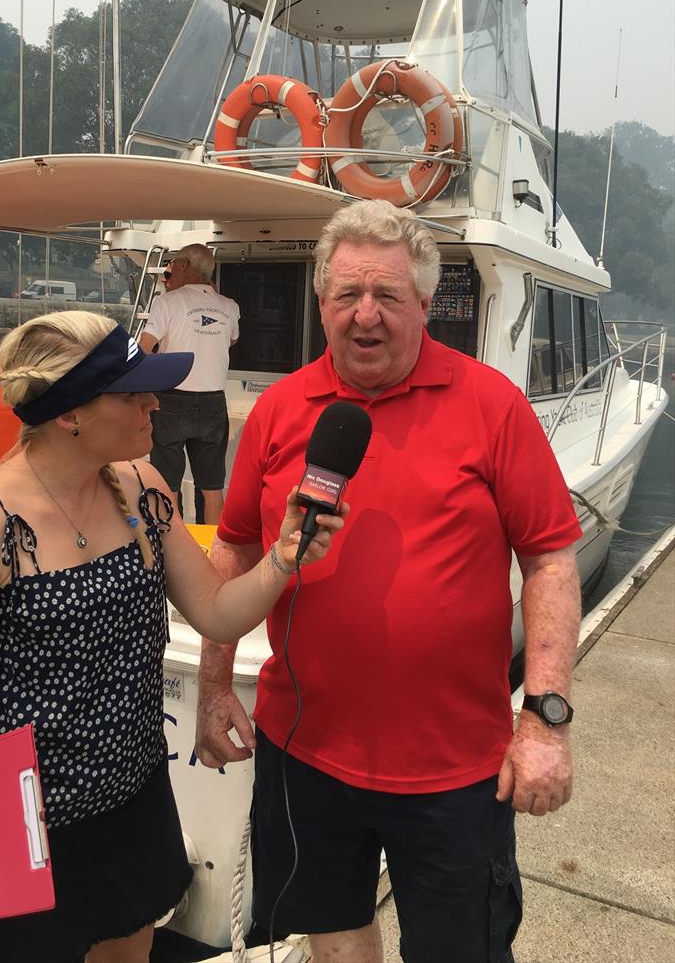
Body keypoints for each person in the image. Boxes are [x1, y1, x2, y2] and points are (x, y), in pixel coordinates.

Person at [195, 200, 582, 963]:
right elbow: (235, 549)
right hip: (303, 749)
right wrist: (212, 689)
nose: (364, 316)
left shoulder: (492, 406)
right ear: (321, 301)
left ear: (425, 304)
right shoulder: (277, 410)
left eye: (388, 297)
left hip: (453, 766)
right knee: (331, 940)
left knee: (457, 950)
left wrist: (543, 718)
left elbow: (551, 560)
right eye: (347, 295)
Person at [0, 310, 345, 963]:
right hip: (26, 823)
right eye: (133, 391)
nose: (154, 401)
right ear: (70, 414)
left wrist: (284, 557)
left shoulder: (142, 489)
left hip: (134, 800)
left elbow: (219, 612)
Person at [140, 243, 240, 525]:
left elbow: (144, 349)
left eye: (171, 266)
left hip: (172, 399)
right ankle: (212, 554)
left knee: (168, 485)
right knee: (211, 487)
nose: (168, 273)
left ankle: (176, 552)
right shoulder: (229, 306)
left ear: (183, 265)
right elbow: (232, 338)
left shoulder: (167, 302)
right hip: (213, 403)